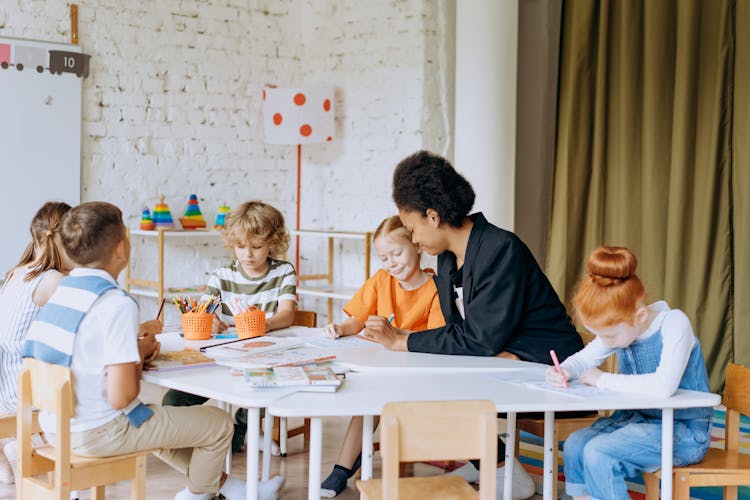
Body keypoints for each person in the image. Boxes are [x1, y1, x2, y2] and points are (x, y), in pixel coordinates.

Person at [20, 201, 284, 500]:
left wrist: (135, 351)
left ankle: (235, 489)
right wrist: (137, 354)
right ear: (121, 248)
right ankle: (198, 495)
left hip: (54, 426)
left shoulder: (63, 291)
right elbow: (124, 396)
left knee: (154, 421)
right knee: (219, 424)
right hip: (97, 432)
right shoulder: (115, 303)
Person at [363, 150, 584, 499]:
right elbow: (464, 335)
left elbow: (479, 338)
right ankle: (490, 462)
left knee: (439, 378)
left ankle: (505, 472)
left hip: (551, 365)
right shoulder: (448, 259)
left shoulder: (501, 249)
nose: (414, 239)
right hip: (502, 356)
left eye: (411, 228)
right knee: (433, 369)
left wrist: (403, 341)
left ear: (432, 216)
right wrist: (404, 337)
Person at [546, 246, 712, 500]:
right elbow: (585, 358)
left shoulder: (674, 324)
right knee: (575, 445)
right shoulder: (621, 326)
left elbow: (663, 387)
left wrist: (602, 379)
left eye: (610, 335)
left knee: (599, 452)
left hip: (683, 431)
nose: (606, 341)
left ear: (640, 315)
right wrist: (565, 369)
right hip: (635, 421)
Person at [319, 215, 445, 497]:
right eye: (383, 258)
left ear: (417, 245)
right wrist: (341, 328)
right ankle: (342, 468)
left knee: (375, 399)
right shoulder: (380, 280)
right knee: (368, 398)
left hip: (417, 374)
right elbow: (358, 320)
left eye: (397, 253)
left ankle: (343, 467)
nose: (391, 264)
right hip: (379, 366)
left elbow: (437, 339)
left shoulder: (436, 288)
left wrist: (395, 333)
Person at [163, 200, 297, 453]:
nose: (248, 254)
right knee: (173, 400)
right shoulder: (222, 275)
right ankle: (200, 437)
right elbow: (204, 313)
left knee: (258, 392)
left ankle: (240, 431)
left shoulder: (283, 272)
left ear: (273, 243)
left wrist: (262, 324)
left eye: (257, 247)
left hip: (263, 357)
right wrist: (211, 321)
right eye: (240, 246)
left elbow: (287, 315)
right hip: (222, 360)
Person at [0, 202, 72, 484]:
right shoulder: (55, 280)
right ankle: (31, 446)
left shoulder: (16, 273)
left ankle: (8, 450)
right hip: (26, 393)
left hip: (3, 387)